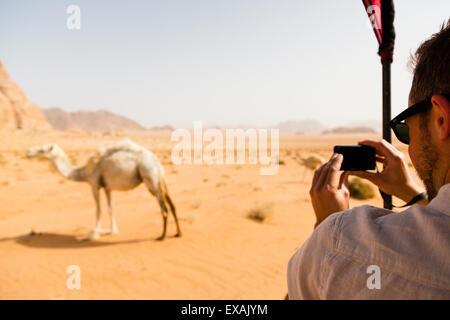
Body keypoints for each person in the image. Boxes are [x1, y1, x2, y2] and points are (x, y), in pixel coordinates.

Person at [287, 20, 450, 299]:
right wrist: (411, 193)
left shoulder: (344, 244)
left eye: (404, 128)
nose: (406, 145)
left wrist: (328, 228)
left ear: (441, 119)